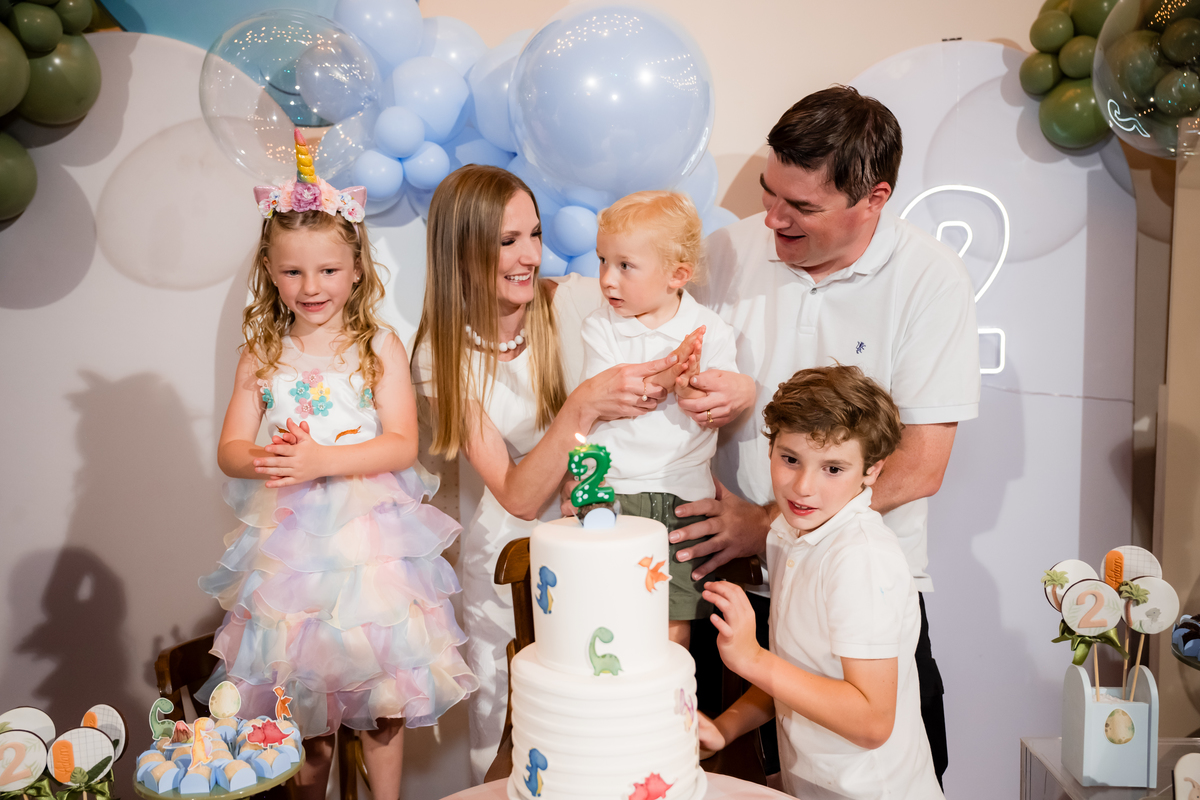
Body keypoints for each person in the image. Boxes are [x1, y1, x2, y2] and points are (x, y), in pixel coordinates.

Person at [677, 86, 979, 781]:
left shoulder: (929, 279)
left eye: (802, 207)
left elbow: (921, 464)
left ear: (874, 199)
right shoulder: (726, 253)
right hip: (730, 583)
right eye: (768, 193)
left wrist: (766, 524)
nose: (772, 218)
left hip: (850, 598)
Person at [197, 137, 476, 800]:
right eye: (293, 272)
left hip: (367, 544)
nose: (311, 286)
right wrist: (273, 457)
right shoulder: (262, 352)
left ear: (355, 269)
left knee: (381, 694)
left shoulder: (378, 345)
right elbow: (230, 449)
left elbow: (402, 444)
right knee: (304, 697)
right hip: (292, 549)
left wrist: (322, 458)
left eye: (327, 270)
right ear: (270, 272)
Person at [411, 165, 686, 782]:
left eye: (533, 234)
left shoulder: (577, 301)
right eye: (507, 241)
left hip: (600, 541)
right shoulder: (438, 354)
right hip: (506, 562)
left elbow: (674, 333)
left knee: (601, 717)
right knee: (512, 726)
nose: (530, 256)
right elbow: (516, 493)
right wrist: (582, 405)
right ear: (461, 249)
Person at [698, 365, 942, 799]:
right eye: (790, 459)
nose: (803, 487)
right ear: (770, 447)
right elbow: (798, 676)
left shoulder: (861, 558)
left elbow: (871, 722)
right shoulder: (789, 533)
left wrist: (751, 658)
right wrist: (724, 728)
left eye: (833, 468)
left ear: (872, 470)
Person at [577, 190, 737, 649]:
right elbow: (615, 396)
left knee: (672, 614)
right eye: (602, 260)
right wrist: (670, 374)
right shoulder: (600, 327)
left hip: (682, 494)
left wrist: (691, 389)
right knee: (608, 608)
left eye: (625, 265)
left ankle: (670, 689)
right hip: (613, 493)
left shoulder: (710, 330)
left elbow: (714, 408)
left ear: (677, 275)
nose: (607, 278)